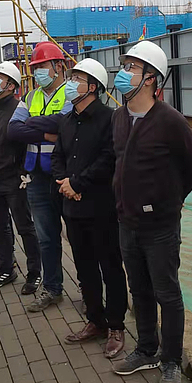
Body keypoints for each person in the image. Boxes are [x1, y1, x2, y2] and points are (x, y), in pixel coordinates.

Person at [110, 40, 192, 383]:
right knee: (140, 289)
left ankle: (171, 361)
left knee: (168, 293)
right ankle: (147, 349)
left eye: (132, 67)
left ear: (151, 78)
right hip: (127, 222)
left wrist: (169, 202)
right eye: (125, 66)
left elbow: (191, 167)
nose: (124, 73)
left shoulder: (170, 120)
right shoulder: (119, 117)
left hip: (160, 227)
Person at [51, 58, 128, 359]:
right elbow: (58, 155)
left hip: (101, 208)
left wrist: (78, 184)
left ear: (93, 87)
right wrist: (65, 183)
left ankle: (116, 326)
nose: (70, 84)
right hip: (72, 208)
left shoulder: (110, 118)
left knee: (111, 268)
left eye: (77, 79)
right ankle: (95, 320)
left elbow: (108, 159)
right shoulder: (67, 120)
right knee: (84, 268)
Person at [8, 41, 72, 312]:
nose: (37, 72)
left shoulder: (71, 92)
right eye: (35, 68)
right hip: (36, 175)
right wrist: (47, 133)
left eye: (42, 66)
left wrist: (31, 124)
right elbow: (13, 129)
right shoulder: (31, 97)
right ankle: (52, 289)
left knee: (79, 237)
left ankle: (88, 288)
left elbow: (65, 125)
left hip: (65, 177)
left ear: (59, 66)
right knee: (46, 237)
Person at [0, 61, 43, 294]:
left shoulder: (20, 109)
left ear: (11, 85)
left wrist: (22, 173)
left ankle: (34, 273)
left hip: (14, 181)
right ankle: (5, 269)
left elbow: (27, 144)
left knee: (25, 227)